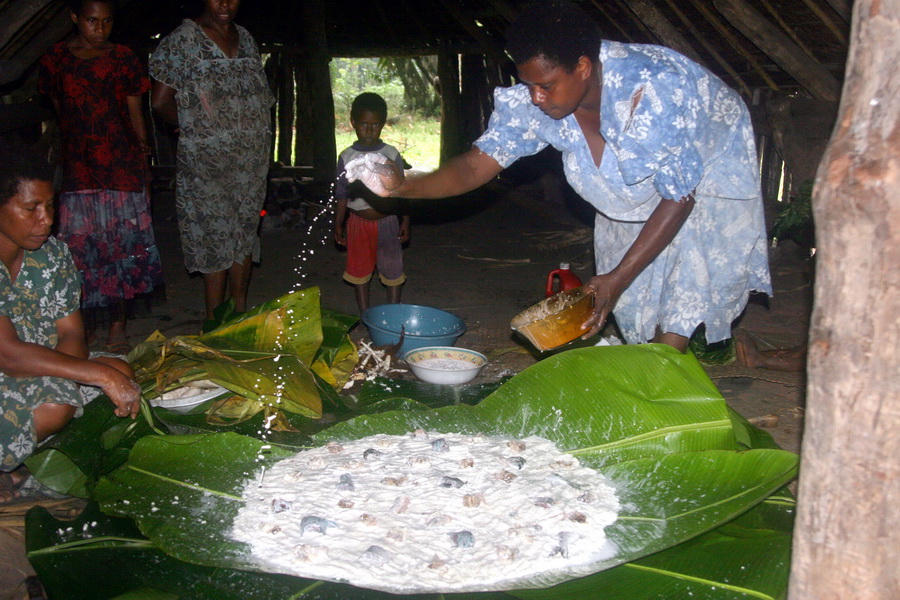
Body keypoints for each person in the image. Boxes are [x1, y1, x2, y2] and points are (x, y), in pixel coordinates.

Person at [346, 1, 772, 352]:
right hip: (635, 187)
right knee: (633, 295)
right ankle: (650, 356)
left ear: (584, 67)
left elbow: (680, 197)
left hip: (706, 168)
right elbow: (476, 165)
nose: (535, 97)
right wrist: (405, 184)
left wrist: (616, 280)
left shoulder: (654, 91)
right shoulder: (540, 97)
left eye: (546, 85)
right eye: (527, 84)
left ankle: (662, 368)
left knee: (681, 281)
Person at [0, 142, 141, 502]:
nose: (46, 220)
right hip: (10, 367)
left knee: (121, 371)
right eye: (31, 208)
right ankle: (14, 464)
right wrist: (93, 376)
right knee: (62, 403)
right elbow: (9, 355)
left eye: (49, 206)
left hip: (40, 363)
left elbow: (71, 331)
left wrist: (71, 376)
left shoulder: (53, 254)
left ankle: (26, 456)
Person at [38, 0, 163, 353]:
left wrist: (144, 161)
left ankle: (117, 325)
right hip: (80, 168)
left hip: (121, 165)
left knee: (121, 247)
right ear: (75, 18)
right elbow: (61, 110)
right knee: (82, 249)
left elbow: (135, 110)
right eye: (92, 21)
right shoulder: (56, 59)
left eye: (107, 22)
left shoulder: (124, 57)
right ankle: (83, 325)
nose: (99, 29)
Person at [149, 0, 273, 321]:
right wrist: (197, 129)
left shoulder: (244, 38)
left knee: (244, 232)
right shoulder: (183, 40)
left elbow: (257, 94)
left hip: (250, 161)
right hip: (206, 163)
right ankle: (215, 321)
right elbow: (161, 102)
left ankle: (240, 313)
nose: (225, 5)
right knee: (214, 236)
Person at [334, 93, 410, 313]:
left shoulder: (390, 153)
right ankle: (366, 315)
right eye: (363, 124)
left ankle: (393, 312)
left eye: (375, 124)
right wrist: (338, 223)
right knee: (359, 272)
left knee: (392, 270)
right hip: (358, 222)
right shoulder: (346, 157)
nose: (369, 129)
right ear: (353, 123)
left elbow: (401, 190)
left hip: (387, 221)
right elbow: (342, 194)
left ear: (383, 124)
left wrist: (405, 221)